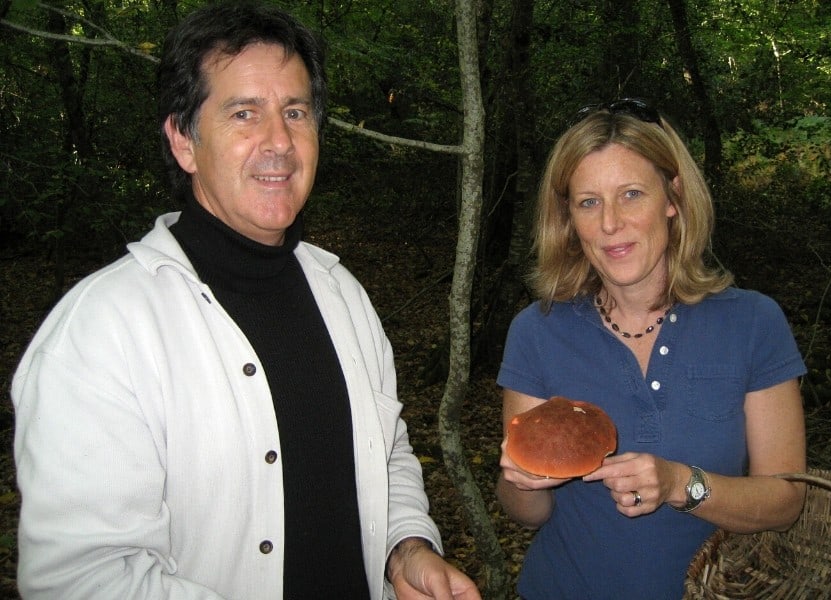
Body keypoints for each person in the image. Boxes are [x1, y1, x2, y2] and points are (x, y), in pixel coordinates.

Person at [11, 3, 481, 599]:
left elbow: (385, 456)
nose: (279, 141)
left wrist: (404, 549)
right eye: (243, 113)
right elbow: (81, 579)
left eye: (295, 112)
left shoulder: (342, 294)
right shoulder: (104, 329)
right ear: (184, 140)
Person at [495, 98, 807, 598]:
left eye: (632, 194)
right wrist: (522, 478)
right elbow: (527, 514)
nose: (610, 223)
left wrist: (679, 482)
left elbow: (785, 502)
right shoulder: (538, 331)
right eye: (588, 202)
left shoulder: (752, 323)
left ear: (672, 197)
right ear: (569, 219)